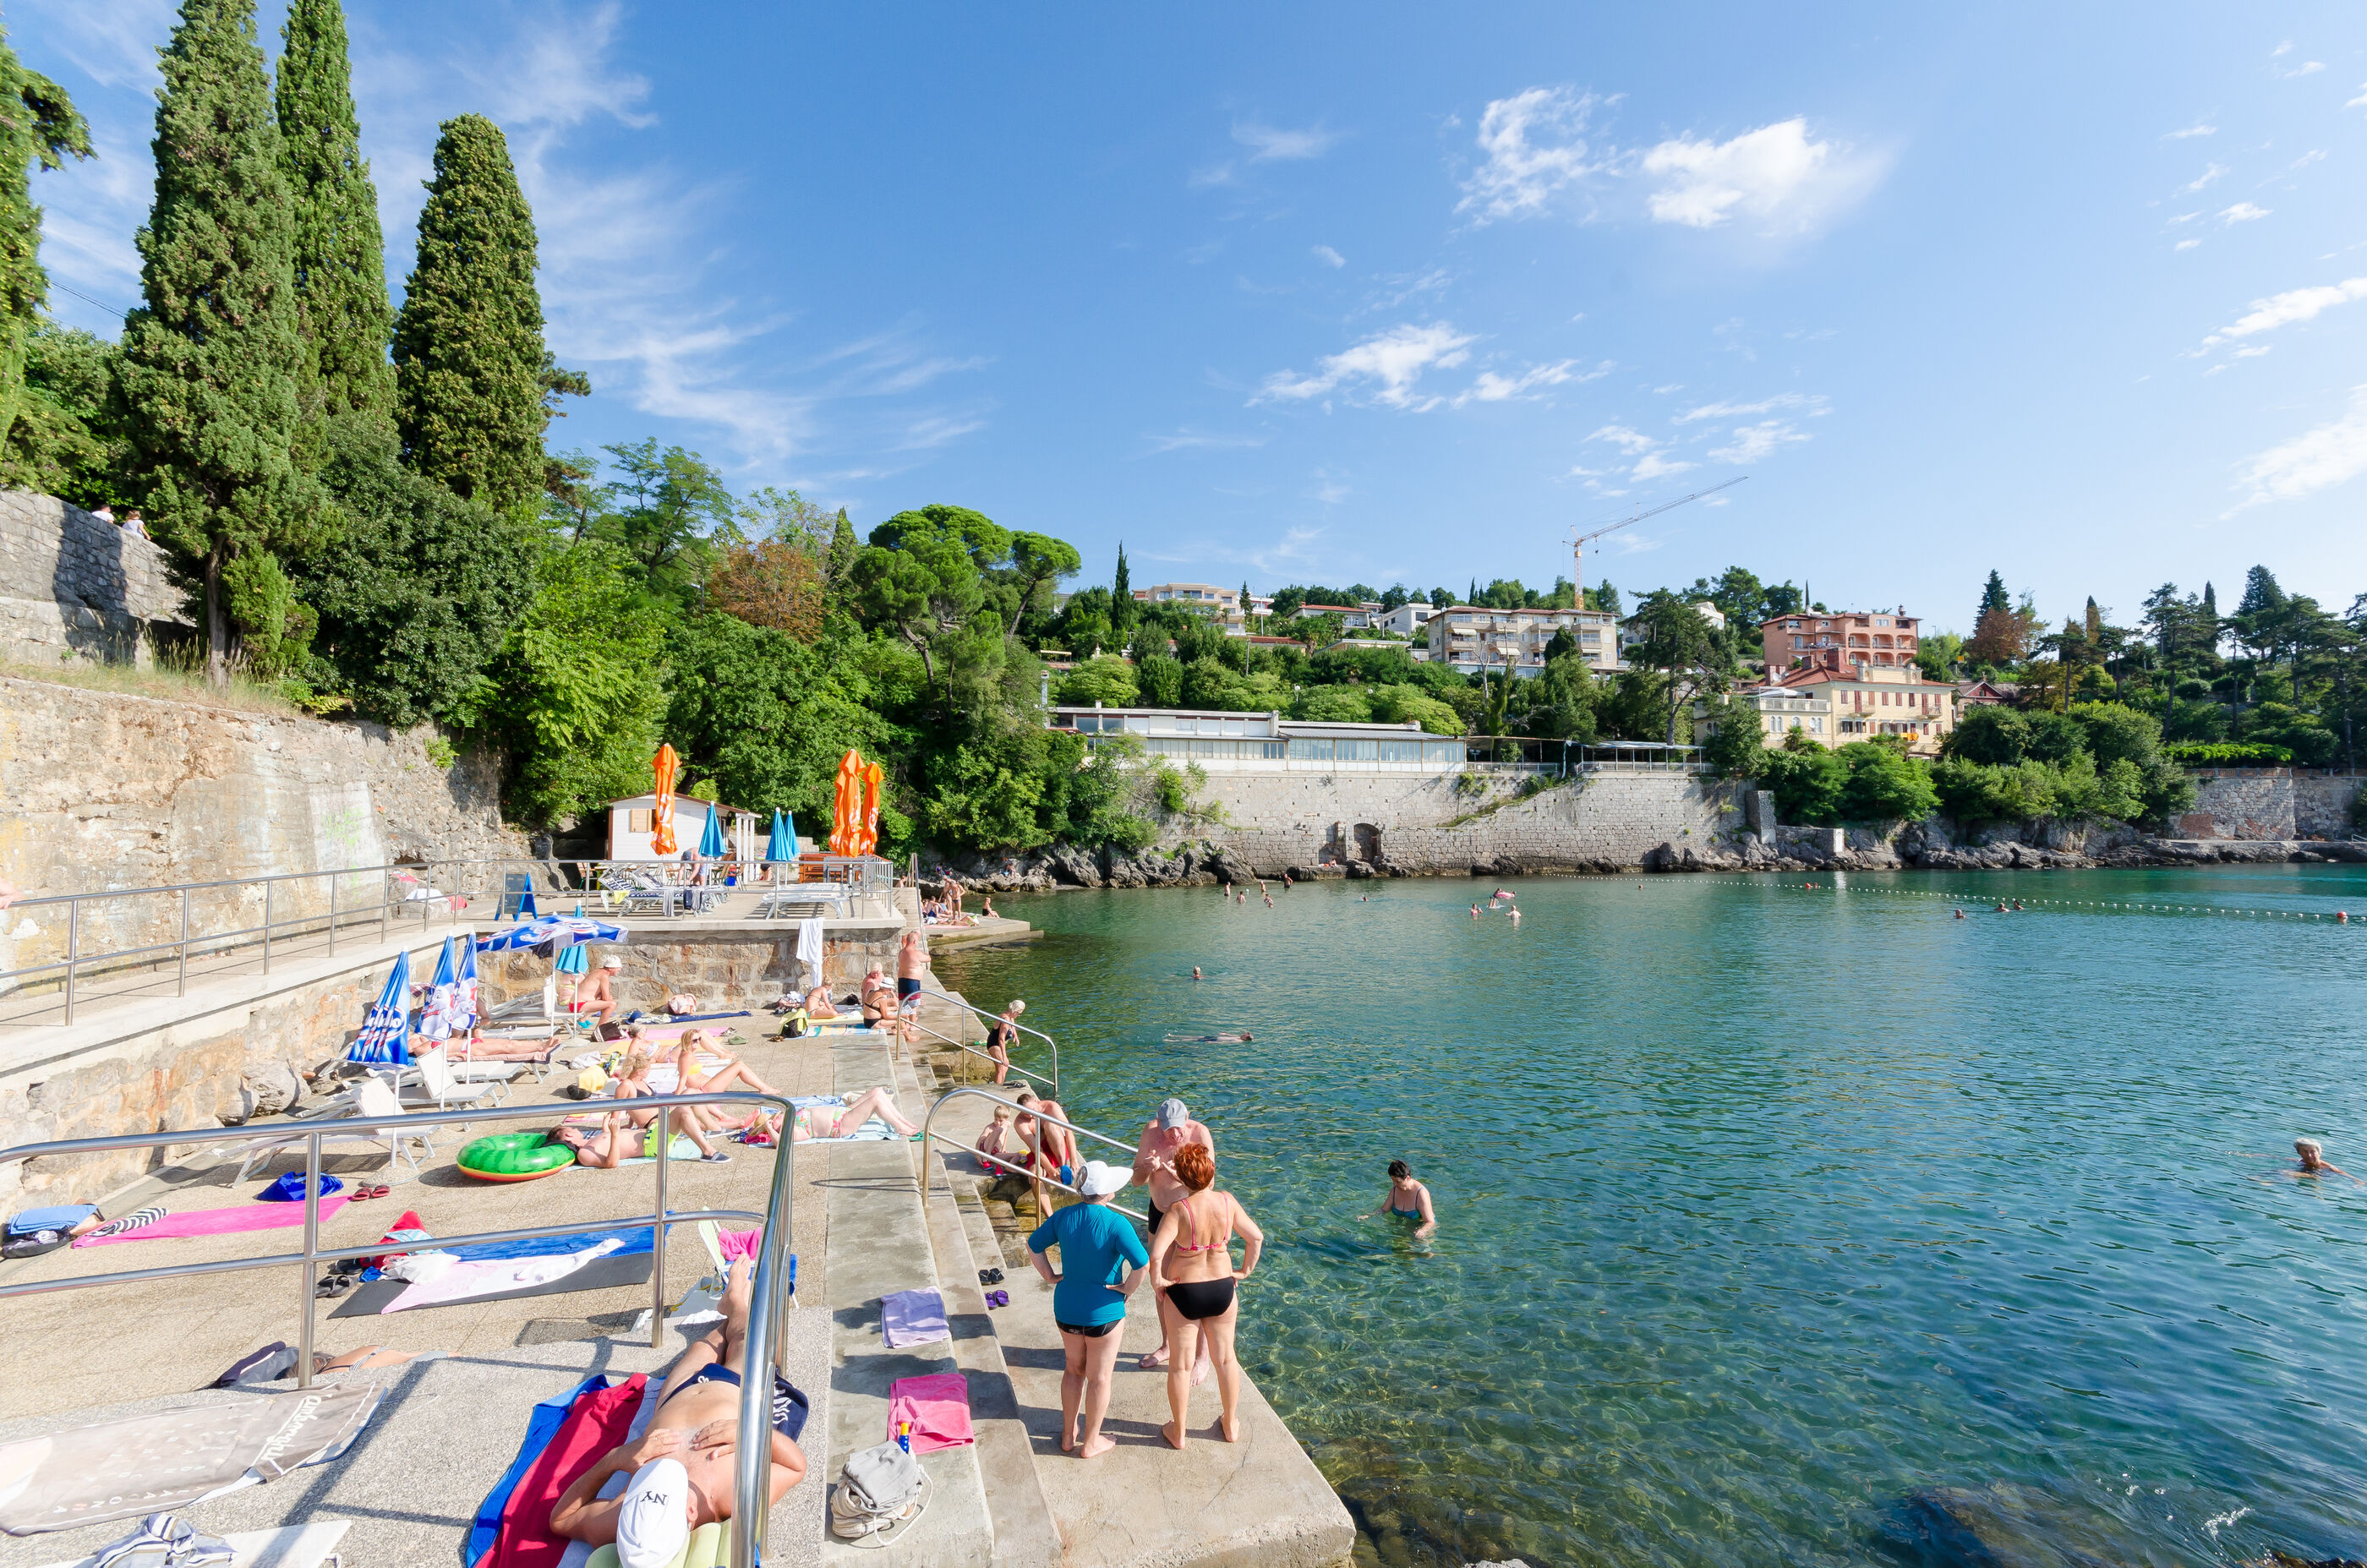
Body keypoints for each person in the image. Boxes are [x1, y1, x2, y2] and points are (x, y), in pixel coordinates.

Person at [550, 1259, 806, 1559]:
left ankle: (733, 1309)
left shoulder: (620, 1518)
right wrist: (750, 1433)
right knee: (753, 1343)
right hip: (732, 1389)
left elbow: (560, 1520)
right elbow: (795, 1467)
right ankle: (738, 1305)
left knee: (701, 1348)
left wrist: (614, 1459)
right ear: (691, 1511)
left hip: (676, 1396)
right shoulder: (727, 1497)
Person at [1025, 1161, 1148, 1460]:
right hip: (1104, 1313)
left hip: (1067, 1309)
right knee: (1099, 1378)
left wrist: (1050, 1276)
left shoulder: (1063, 1216)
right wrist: (1126, 1290)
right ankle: (1091, 1442)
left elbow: (1033, 1245)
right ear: (1106, 1192)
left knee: (1073, 1370)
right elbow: (1142, 1264)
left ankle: (1068, 1435)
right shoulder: (1117, 1223)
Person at [1147, 1144, 1262, 1449]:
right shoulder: (1227, 1201)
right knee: (1225, 1359)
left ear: (1183, 1178)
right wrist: (1244, 1271)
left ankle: (1179, 1432)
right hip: (1222, 1288)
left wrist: (1158, 1283)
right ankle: (1230, 1423)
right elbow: (1256, 1238)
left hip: (1185, 1290)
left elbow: (1156, 1254)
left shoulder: (1178, 1210)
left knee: (1180, 1366)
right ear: (1211, 1173)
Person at [1131, 1098, 1216, 1376]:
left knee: (1198, 1285)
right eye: (1168, 1129)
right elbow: (1136, 1181)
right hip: (1160, 1213)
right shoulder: (1150, 1134)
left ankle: (1202, 1356)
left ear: (1188, 1117)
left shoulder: (1199, 1134)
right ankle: (1167, 1345)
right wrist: (1146, 1168)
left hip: (1192, 1215)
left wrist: (1177, 1175)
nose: (1175, 1134)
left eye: (1178, 1128)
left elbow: (1209, 1184)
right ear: (1159, 1123)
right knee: (1161, 1282)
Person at [787, 1086, 919, 1141]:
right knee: (876, 1100)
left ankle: (904, 1122)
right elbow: (779, 1140)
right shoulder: (791, 1131)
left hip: (842, 1112)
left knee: (878, 1091)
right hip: (841, 1125)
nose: (778, 1115)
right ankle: (899, 1127)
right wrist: (774, 1131)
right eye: (777, 1118)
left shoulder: (790, 1117)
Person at [1014, 1086, 1079, 1184]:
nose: (1031, 1116)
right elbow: (1035, 1148)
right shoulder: (1020, 1122)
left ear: (1035, 1101)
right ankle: (1041, 1193)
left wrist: (1074, 1160)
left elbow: (1068, 1131)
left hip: (1059, 1147)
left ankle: (1064, 1167)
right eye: (1026, 1114)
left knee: (1050, 1124)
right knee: (1034, 1176)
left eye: (1032, 1110)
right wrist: (1050, 1170)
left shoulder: (1051, 1107)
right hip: (1042, 1153)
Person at [1374, 1159, 1436, 1240]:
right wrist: (1369, 1215)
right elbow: (1383, 1210)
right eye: (1393, 1181)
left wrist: (1423, 1230)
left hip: (1420, 1229)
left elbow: (1430, 1222)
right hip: (1401, 1227)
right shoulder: (1395, 1190)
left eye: (1398, 1181)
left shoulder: (1421, 1193)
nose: (1394, 1184)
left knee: (1421, 1247)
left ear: (1408, 1178)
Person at [550, 1112, 634, 1168]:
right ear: (569, 1135)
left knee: (631, 1099)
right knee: (630, 1095)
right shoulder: (583, 1153)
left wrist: (605, 1127)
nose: (575, 1129)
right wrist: (614, 1134)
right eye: (572, 1129)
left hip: (641, 1133)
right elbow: (611, 1163)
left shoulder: (588, 1142)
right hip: (642, 1143)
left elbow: (606, 1144)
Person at [575, 954, 624, 1026]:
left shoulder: (598, 971)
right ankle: (600, 1028)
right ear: (610, 968)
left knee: (603, 999)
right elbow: (606, 998)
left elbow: (604, 996)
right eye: (618, 967)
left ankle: (584, 1019)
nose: (620, 969)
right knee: (612, 1005)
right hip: (577, 1005)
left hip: (576, 1003)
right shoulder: (604, 976)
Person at [985, 1001, 1025, 1088]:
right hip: (994, 1044)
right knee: (1002, 1065)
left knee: (1005, 1067)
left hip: (998, 1044)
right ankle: (997, 1089)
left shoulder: (1010, 1016)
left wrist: (1015, 1035)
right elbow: (1001, 1039)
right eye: (1019, 1014)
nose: (1019, 1016)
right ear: (1015, 1011)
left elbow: (1012, 1024)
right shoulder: (1005, 1020)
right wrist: (1004, 1056)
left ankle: (999, 1085)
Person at [2294, 1139, 2358, 1180]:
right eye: (2305, 1151)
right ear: (2299, 1152)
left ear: (2319, 1153)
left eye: (2313, 1152)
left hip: (2323, 1176)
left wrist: (2357, 1181)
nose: (2309, 1155)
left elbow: (2342, 1173)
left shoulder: (2328, 1167)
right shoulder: (2301, 1161)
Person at [897, 930, 929, 1005]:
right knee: (913, 1006)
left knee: (903, 1005)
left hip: (901, 981)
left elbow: (904, 942)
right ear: (915, 941)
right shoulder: (916, 953)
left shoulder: (901, 952)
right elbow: (928, 958)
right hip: (912, 982)